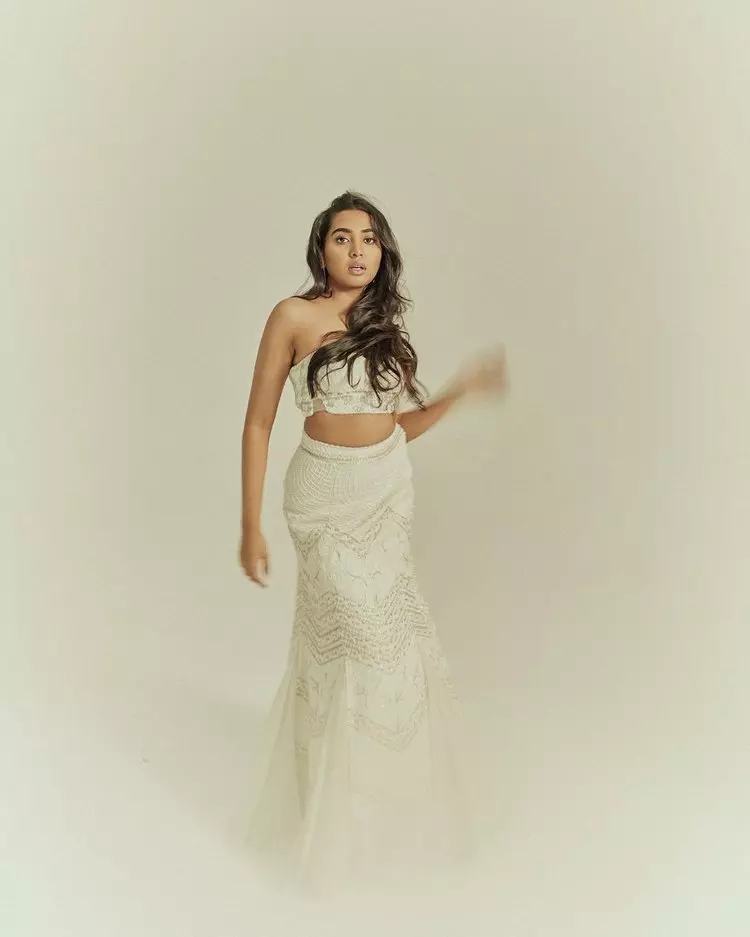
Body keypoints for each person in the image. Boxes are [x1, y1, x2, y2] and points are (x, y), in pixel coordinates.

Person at [238, 191, 509, 897]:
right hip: (323, 499)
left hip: (386, 494)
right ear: (320, 249)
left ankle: (383, 814)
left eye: (369, 238)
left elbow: (392, 427)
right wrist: (250, 523)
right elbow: (259, 423)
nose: (357, 249)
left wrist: (458, 392)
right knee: (353, 638)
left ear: (382, 251)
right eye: (342, 237)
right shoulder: (292, 316)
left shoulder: (385, 328)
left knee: (393, 651)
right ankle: (332, 822)